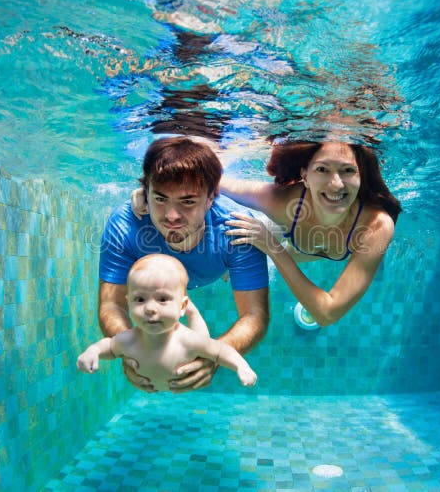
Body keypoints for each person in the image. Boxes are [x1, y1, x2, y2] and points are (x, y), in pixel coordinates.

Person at [98, 136, 269, 393]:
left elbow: (255, 314)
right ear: (146, 193)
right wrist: (130, 352)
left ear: (211, 198)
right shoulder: (125, 225)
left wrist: (213, 357)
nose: (172, 216)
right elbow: (111, 304)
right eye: (160, 199)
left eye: (188, 202)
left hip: (219, 264)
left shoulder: (237, 228)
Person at [221, 138, 401, 327]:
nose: (336, 184)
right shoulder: (283, 200)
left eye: (348, 170)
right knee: (260, 235)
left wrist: (273, 249)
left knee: (376, 264)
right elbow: (222, 185)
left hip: (312, 247)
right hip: (294, 233)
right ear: (305, 177)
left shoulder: (376, 225)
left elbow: (327, 314)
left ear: (361, 176)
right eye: (322, 169)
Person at [78, 254, 257, 390]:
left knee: (202, 339)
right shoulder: (128, 339)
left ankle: (191, 311)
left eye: (162, 298)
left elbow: (220, 351)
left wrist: (241, 366)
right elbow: (109, 347)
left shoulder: (188, 341)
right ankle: (180, 305)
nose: (149, 308)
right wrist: (93, 352)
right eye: (139, 299)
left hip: (191, 342)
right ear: (128, 302)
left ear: (181, 307)